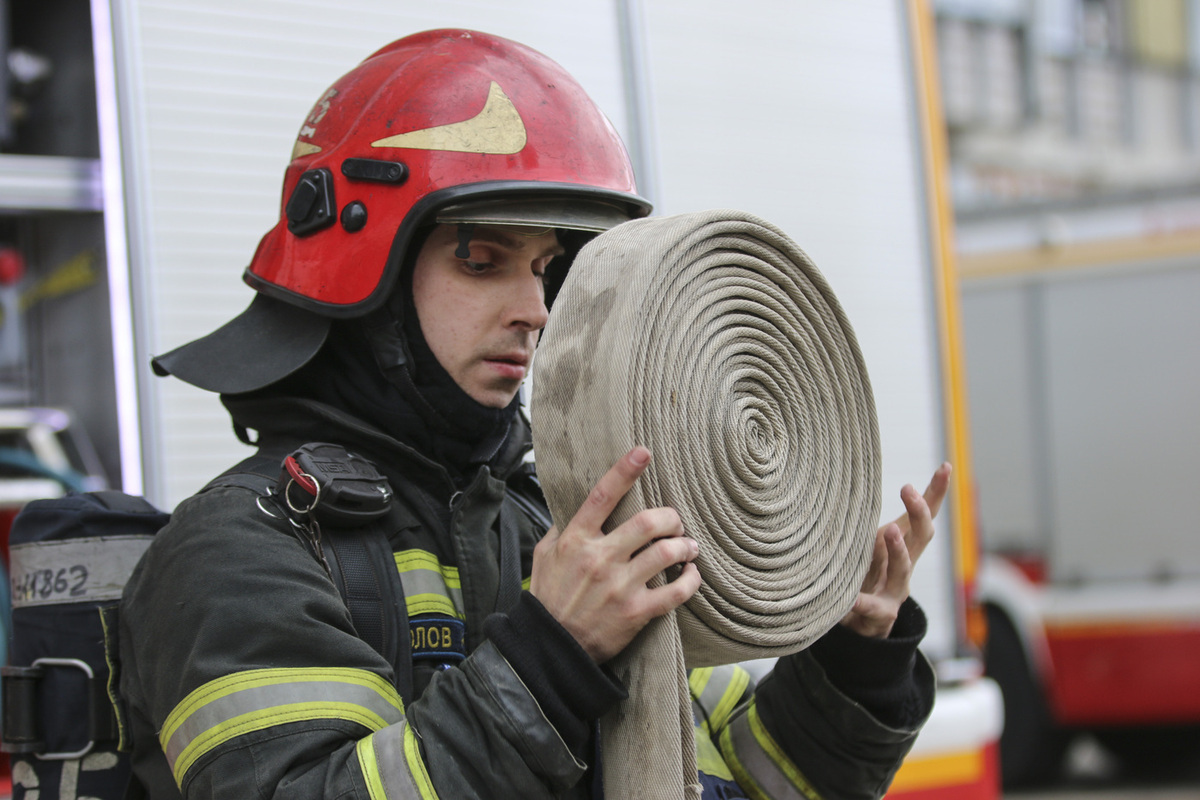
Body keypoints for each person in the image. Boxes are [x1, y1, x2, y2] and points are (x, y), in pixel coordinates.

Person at [119, 28, 949, 800]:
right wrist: (549, 659)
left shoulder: (561, 533)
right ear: (362, 269)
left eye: (547, 267)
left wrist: (855, 657)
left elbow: (739, 780)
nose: (537, 309)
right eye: (482, 260)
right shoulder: (237, 551)